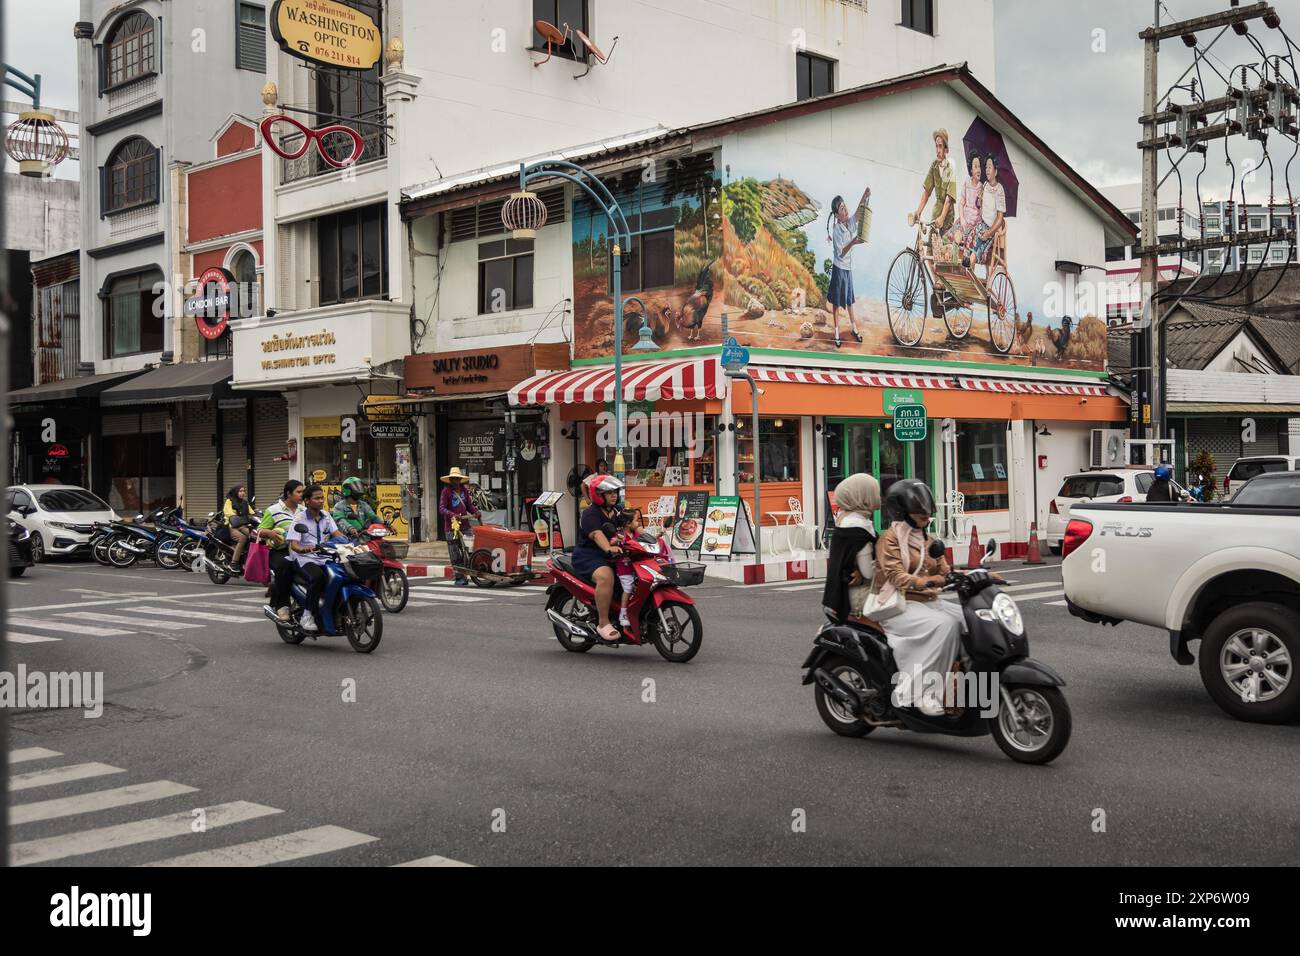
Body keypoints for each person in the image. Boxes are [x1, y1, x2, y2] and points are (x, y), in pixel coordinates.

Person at [871, 478, 964, 717]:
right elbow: (895, 575)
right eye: (917, 508)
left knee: (973, 619)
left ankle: (966, 688)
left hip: (931, 602)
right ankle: (924, 694)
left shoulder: (928, 540)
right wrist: (925, 582)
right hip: (901, 605)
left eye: (925, 508)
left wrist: (977, 575)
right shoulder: (889, 540)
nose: (924, 513)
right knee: (946, 626)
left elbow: (945, 570)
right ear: (902, 510)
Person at [572, 473, 629, 643]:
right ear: (599, 495)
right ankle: (603, 623)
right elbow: (597, 534)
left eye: (615, 492)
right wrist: (609, 547)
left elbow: (630, 528)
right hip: (589, 556)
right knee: (606, 577)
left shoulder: (617, 512)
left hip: (613, 554)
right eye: (609, 492)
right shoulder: (590, 514)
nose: (614, 495)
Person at [287, 484, 348, 633]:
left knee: (343, 575)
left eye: (322, 498)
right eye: (317, 498)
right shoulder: (299, 519)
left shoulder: (326, 516)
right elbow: (294, 544)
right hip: (305, 558)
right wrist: (304, 549)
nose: (321, 501)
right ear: (307, 501)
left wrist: (350, 541)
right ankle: (307, 615)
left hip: (325, 557)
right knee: (317, 577)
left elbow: (336, 534)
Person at [821, 473, 881, 626]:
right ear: (863, 496)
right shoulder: (858, 526)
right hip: (859, 597)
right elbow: (868, 572)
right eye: (875, 492)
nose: (879, 496)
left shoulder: (845, 519)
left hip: (839, 596)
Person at [825, 187, 870, 349]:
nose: (846, 210)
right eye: (842, 209)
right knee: (837, 303)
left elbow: (859, 213)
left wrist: (864, 196)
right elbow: (842, 253)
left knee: (849, 301)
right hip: (839, 269)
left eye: (845, 206)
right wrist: (854, 242)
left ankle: (854, 328)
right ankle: (836, 332)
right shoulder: (837, 230)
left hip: (847, 269)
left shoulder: (848, 223)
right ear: (837, 215)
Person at [258, 479, 304, 623]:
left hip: (300, 549)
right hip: (280, 550)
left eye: (303, 491)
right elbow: (259, 531)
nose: (302, 495)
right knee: (284, 567)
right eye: (299, 492)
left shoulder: (304, 511)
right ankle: (283, 605)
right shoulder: (273, 510)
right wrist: (271, 534)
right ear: (289, 494)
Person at [909, 128, 958, 252]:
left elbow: (949, 198)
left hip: (947, 216)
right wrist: (918, 212)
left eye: (940, 146)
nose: (938, 150)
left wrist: (942, 218)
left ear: (946, 148)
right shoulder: (934, 166)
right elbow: (926, 192)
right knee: (930, 248)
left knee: (942, 253)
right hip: (936, 212)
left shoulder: (950, 167)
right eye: (936, 146)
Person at [439, 466, 481, 586]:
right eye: (453, 479)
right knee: (455, 553)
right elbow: (442, 509)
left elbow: (468, 506)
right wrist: (453, 515)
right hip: (452, 527)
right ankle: (459, 577)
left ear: (460, 480)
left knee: (470, 549)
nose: (455, 481)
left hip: (465, 525)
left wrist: (475, 512)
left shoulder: (464, 491)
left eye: (457, 479)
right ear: (450, 480)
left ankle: (469, 572)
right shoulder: (446, 492)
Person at [965, 155, 1007, 269]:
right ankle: (969, 272)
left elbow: (999, 219)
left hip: (991, 229)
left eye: (990, 167)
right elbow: (980, 206)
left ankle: (971, 278)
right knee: (966, 243)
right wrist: (980, 200)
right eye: (986, 167)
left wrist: (989, 233)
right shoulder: (985, 185)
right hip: (981, 224)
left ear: (996, 170)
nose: (987, 170)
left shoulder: (999, 190)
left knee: (974, 252)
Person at [614, 509, 645, 628]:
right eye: (636, 520)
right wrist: (616, 541)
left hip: (636, 566)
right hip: (624, 567)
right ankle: (623, 614)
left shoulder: (636, 534)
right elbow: (613, 541)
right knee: (628, 588)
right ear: (628, 523)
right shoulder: (621, 535)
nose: (637, 523)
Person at [222, 485, 253, 571]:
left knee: (255, 536)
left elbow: (252, 512)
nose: (242, 493)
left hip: (243, 525)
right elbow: (228, 513)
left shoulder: (245, 502)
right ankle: (234, 563)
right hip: (232, 526)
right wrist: (236, 518)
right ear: (236, 492)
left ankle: (248, 558)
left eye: (244, 491)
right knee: (242, 538)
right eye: (240, 491)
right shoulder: (229, 501)